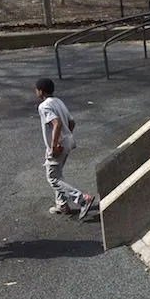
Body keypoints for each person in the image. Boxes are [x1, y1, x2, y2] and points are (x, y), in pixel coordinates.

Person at [34, 78, 97, 220]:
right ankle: (62, 205)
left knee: (52, 178)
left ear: (41, 91)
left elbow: (56, 124)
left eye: (36, 90)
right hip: (68, 141)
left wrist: (54, 145)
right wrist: (67, 136)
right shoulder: (58, 101)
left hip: (59, 146)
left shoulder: (44, 106)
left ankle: (82, 199)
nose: (35, 92)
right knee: (58, 173)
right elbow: (71, 122)